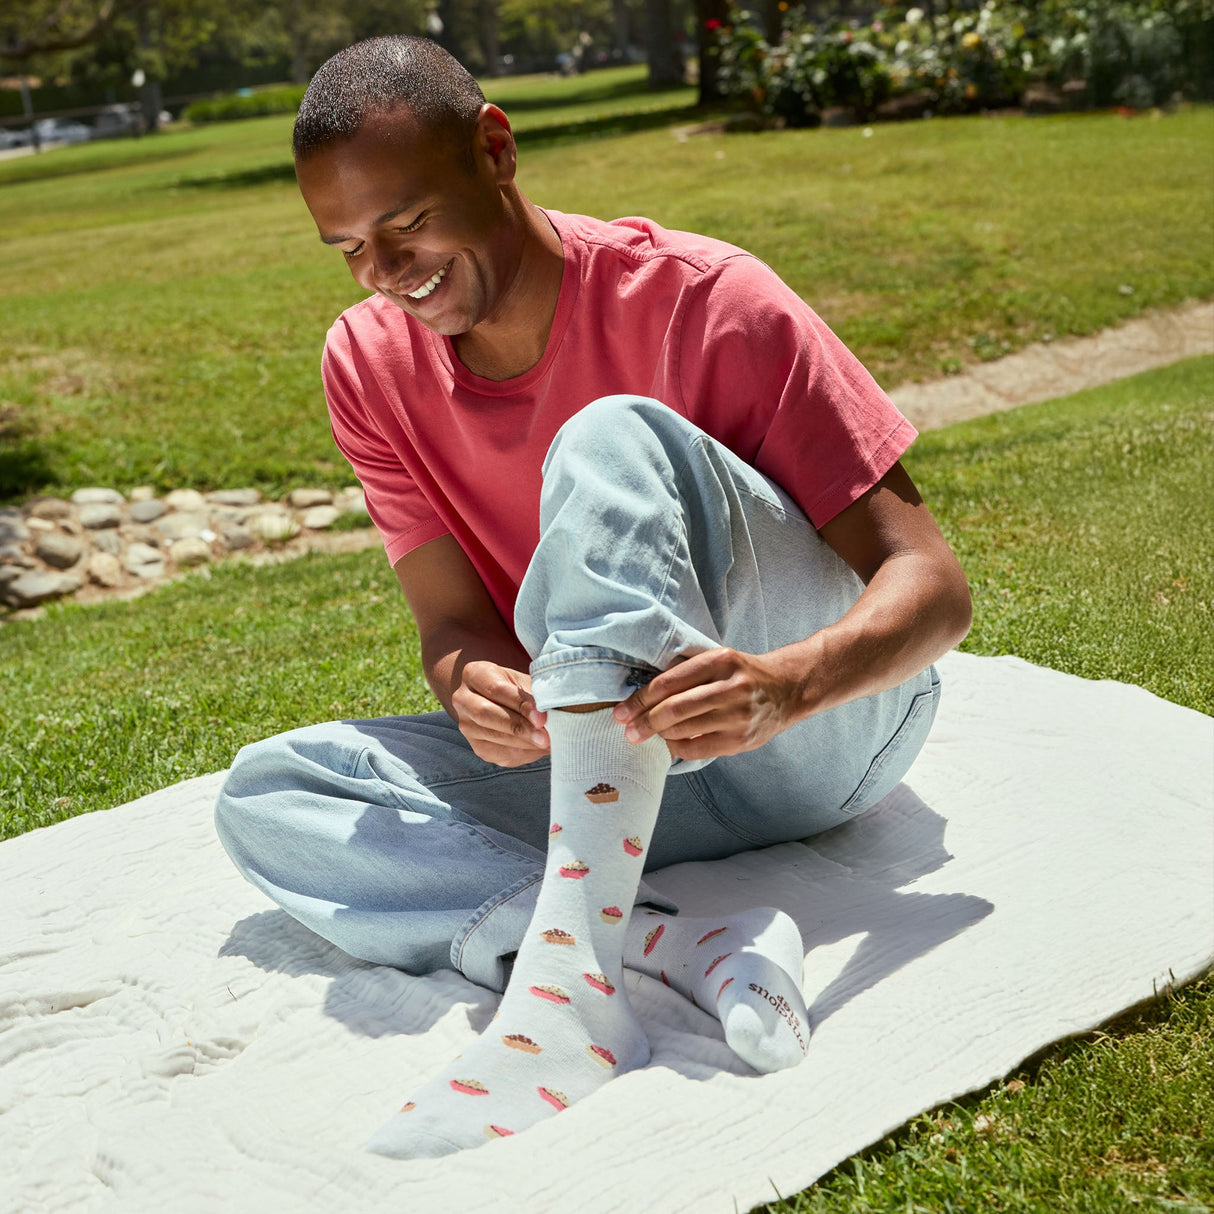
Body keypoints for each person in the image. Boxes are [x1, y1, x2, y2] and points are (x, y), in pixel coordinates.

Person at [213, 35, 972, 1159]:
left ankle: (563, 998)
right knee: (276, 792)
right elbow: (452, 626)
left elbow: (934, 586)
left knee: (609, 433)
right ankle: (678, 945)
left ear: (496, 148)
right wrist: (474, 684)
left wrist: (784, 684)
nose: (385, 269)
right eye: (349, 248)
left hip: (818, 731)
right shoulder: (366, 365)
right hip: (613, 761)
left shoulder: (708, 298)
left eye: (406, 221)